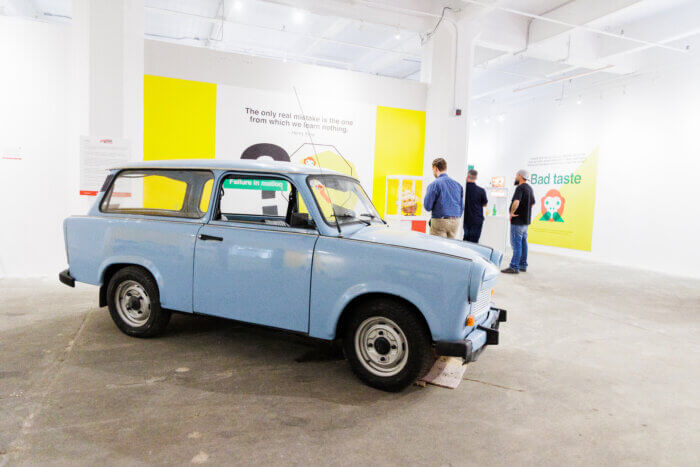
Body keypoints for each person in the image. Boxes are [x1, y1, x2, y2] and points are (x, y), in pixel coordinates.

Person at [502, 169, 535, 274]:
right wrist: (525, 210)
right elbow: (532, 203)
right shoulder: (529, 188)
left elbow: (516, 202)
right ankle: (522, 265)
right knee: (523, 243)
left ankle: (514, 267)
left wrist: (512, 213)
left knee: (516, 244)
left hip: (518, 222)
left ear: (520, 176)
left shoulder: (520, 188)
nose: (515, 177)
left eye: (517, 175)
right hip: (525, 222)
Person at [423, 157, 463, 239]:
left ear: (435, 168)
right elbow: (461, 207)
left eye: (432, 169)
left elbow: (427, 206)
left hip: (440, 221)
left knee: (437, 248)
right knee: (449, 249)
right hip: (455, 221)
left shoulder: (434, 184)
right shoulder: (458, 185)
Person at [463, 169, 488, 243]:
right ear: (476, 178)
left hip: (465, 219)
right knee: (474, 243)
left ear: (467, 176)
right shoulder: (481, 190)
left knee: (465, 240)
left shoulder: (463, 189)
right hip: (477, 220)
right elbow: (485, 204)